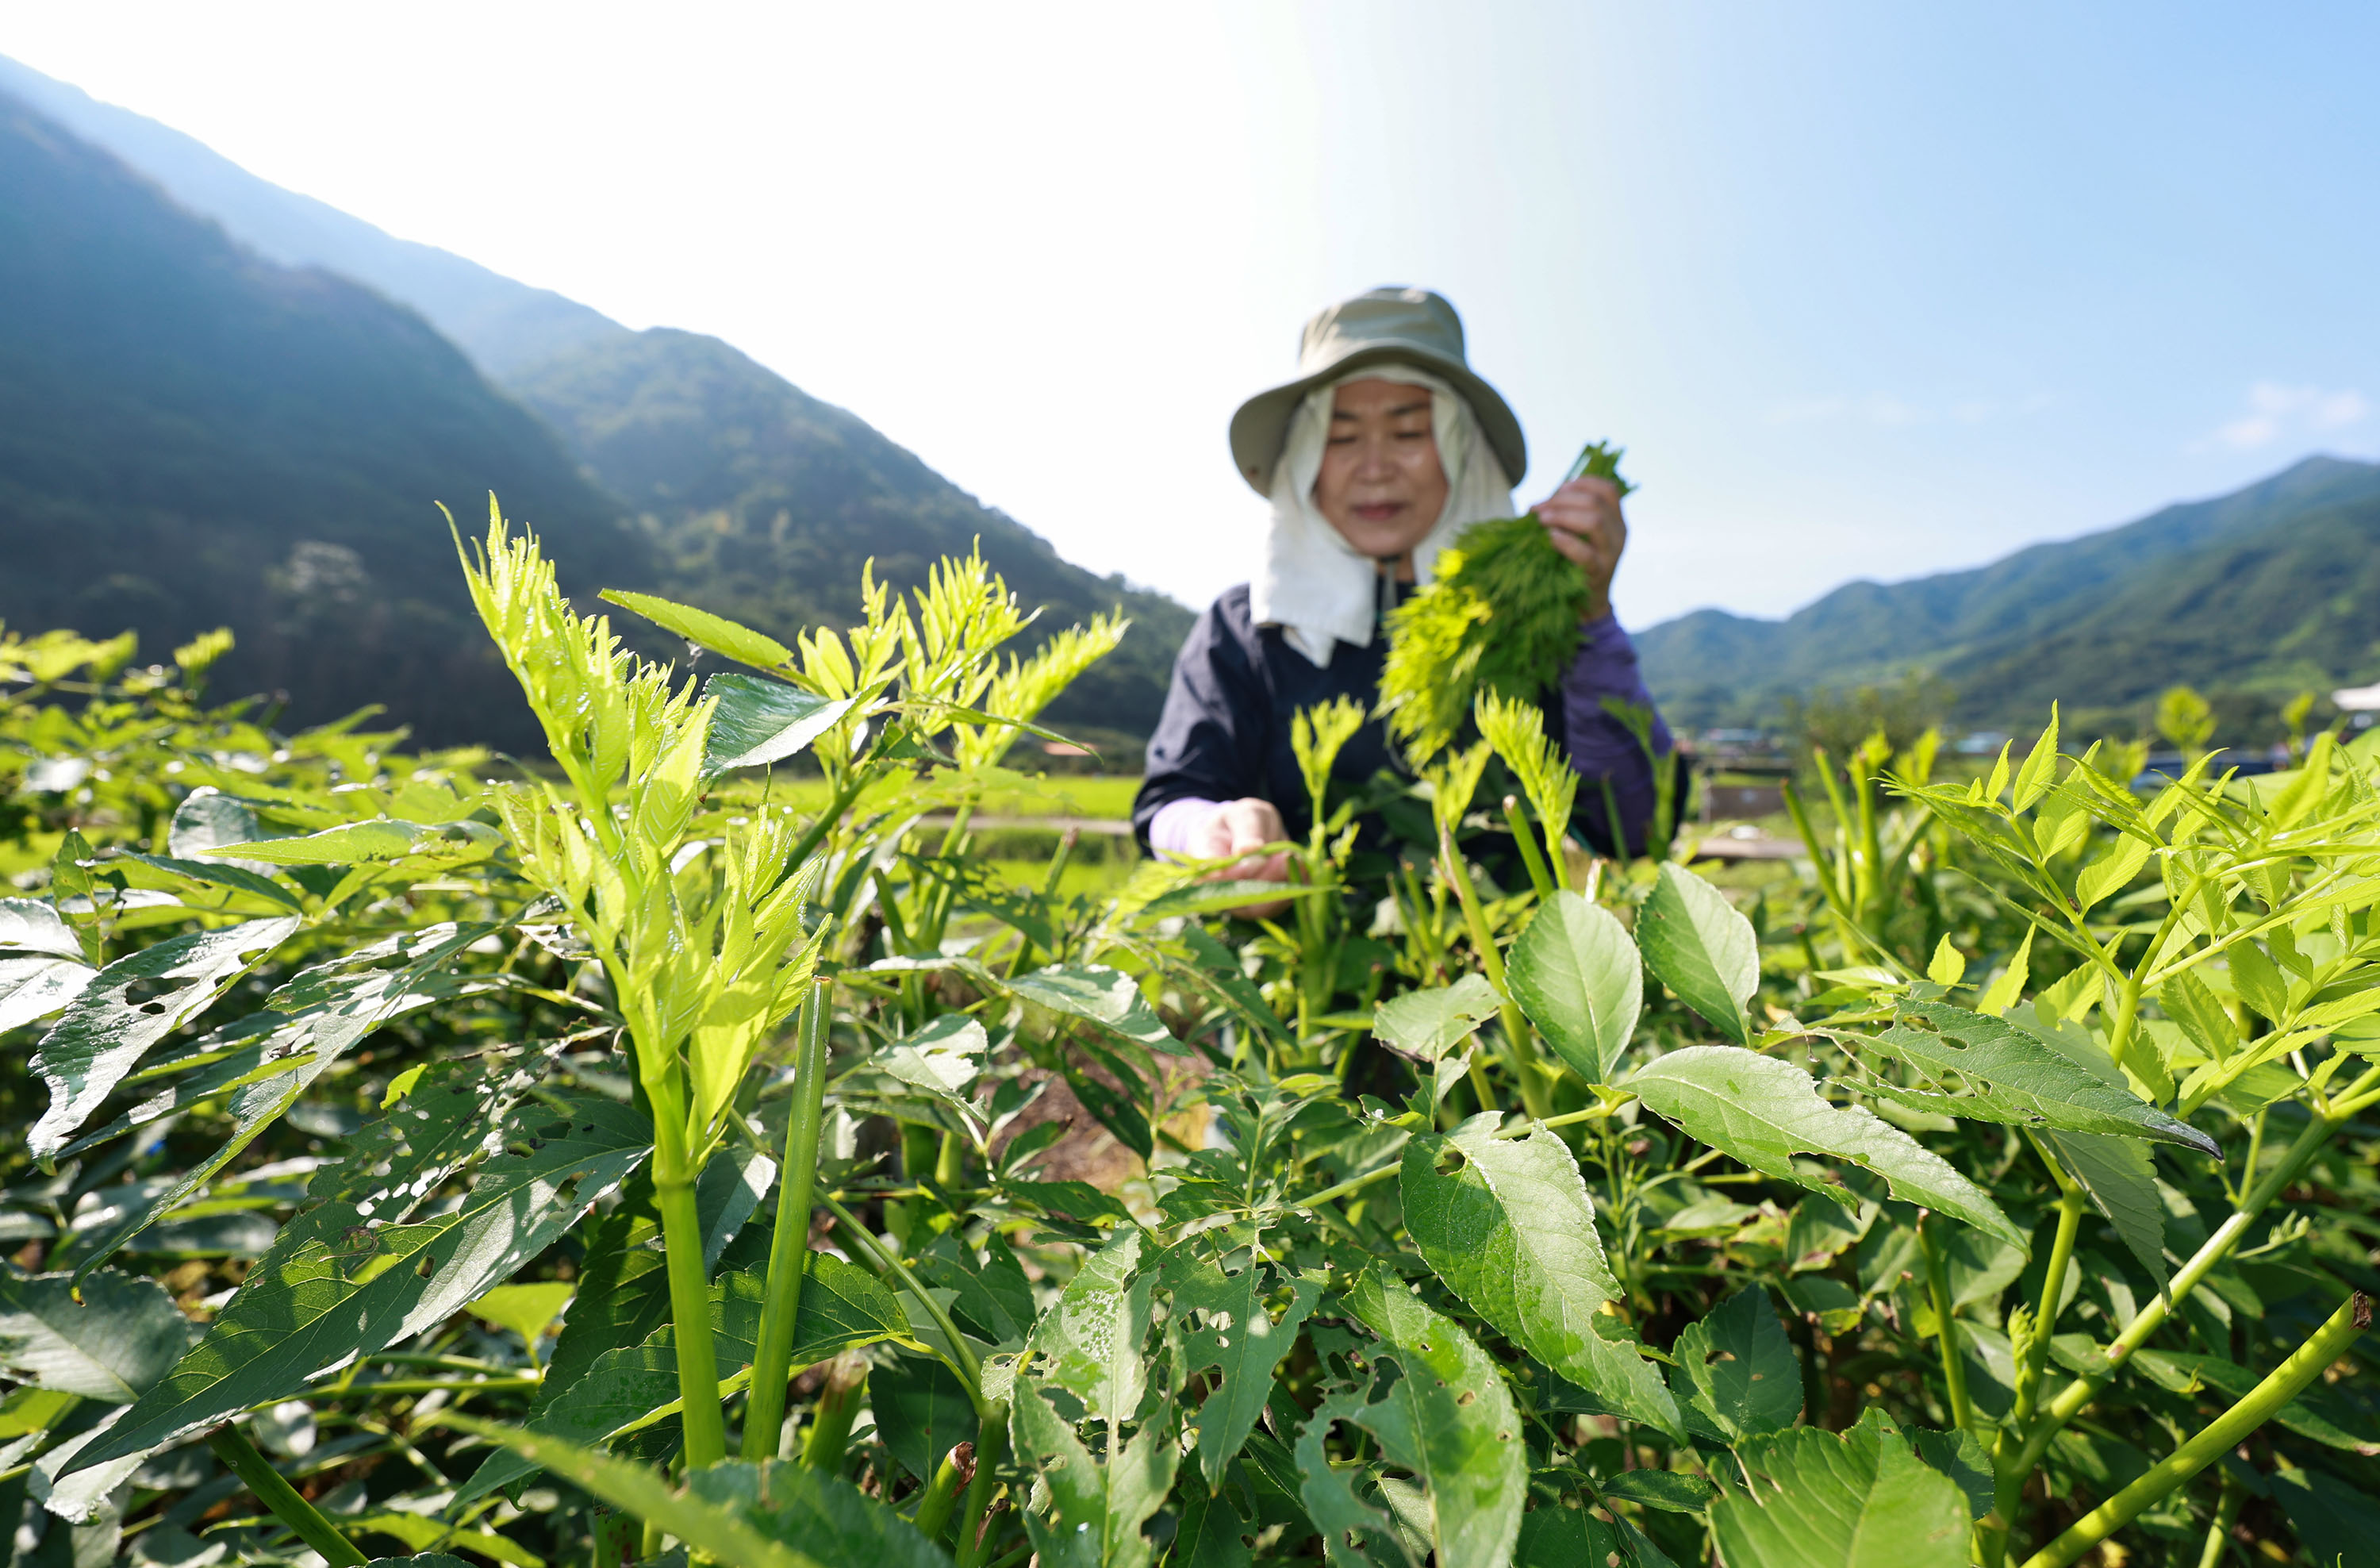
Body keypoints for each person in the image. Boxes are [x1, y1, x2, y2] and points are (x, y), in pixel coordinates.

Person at [1132, 286, 1673, 882]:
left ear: (1461, 450)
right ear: (1305, 462)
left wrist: (1592, 617)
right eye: (1341, 438)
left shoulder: (1525, 619)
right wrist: (1212, 830)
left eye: (1410, 432)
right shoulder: (1247, 628)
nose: (1375, 467)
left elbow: (1634, 826)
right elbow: (1170, 800)